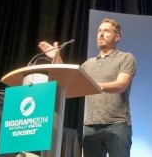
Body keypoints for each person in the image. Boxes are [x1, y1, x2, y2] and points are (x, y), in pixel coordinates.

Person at [38, 18, 136, 157]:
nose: (101, 34)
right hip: (90, 126)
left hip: (117, 124)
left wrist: (93, 85)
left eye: (106, 31)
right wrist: (57, 56)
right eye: (99, 31)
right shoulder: (88, 64)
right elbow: (69, 80)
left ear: (117, 36)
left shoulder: (125, 58)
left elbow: (121, 85)